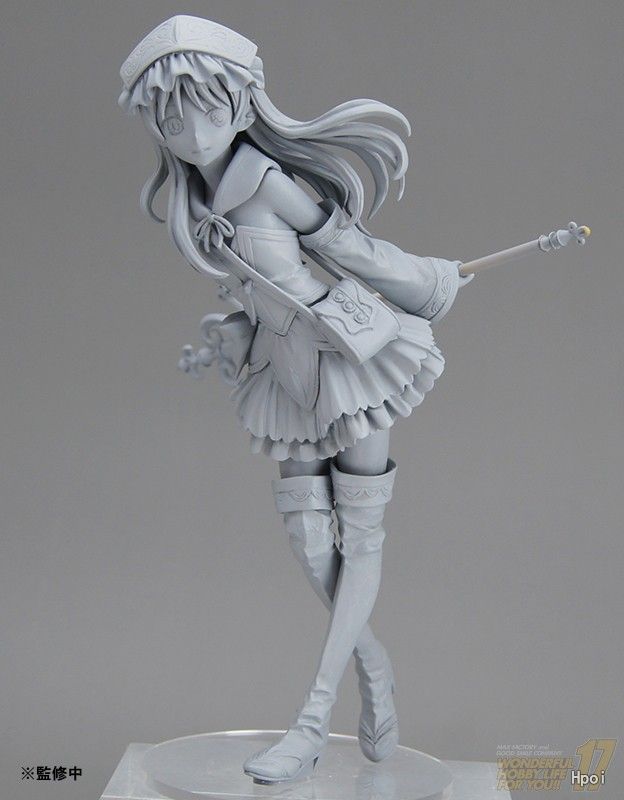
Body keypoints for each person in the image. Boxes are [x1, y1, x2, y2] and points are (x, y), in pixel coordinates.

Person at [119, 15, 472, 784]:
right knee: (311, 542)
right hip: (286, 373)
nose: (192, 131)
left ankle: (312, 722)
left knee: (361, 536)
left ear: (243, 103)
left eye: (208, 108)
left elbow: (349, 249)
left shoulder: (268, 182)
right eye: (172, 118)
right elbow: (258, 292)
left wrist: (429, 280)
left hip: (352, 357)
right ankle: (371, 665)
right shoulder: (198, 204)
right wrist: (230, 335)